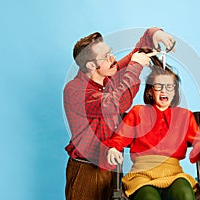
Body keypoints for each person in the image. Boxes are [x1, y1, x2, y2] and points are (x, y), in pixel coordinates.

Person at [63, 27, 175, 200]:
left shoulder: (107, 77)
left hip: (111, 168)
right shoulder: (75, 90)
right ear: (91, 65)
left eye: (110, 52)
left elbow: (134, 55)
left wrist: (155, 34)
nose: (113, 58)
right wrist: (136, 66)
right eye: (106, 57)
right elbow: (116, 103)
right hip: (86, 170)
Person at [104, 57, 200, 200]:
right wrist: (114, 148)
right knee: (148, 197)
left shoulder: (184, 116)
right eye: (158, 86)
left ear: (174, 92)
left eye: (169, 87)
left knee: (184, 191)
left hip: (173, 173)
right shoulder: (138, 112)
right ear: (151, 91)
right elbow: (120, 138)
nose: (164, 90)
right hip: (142, 175)